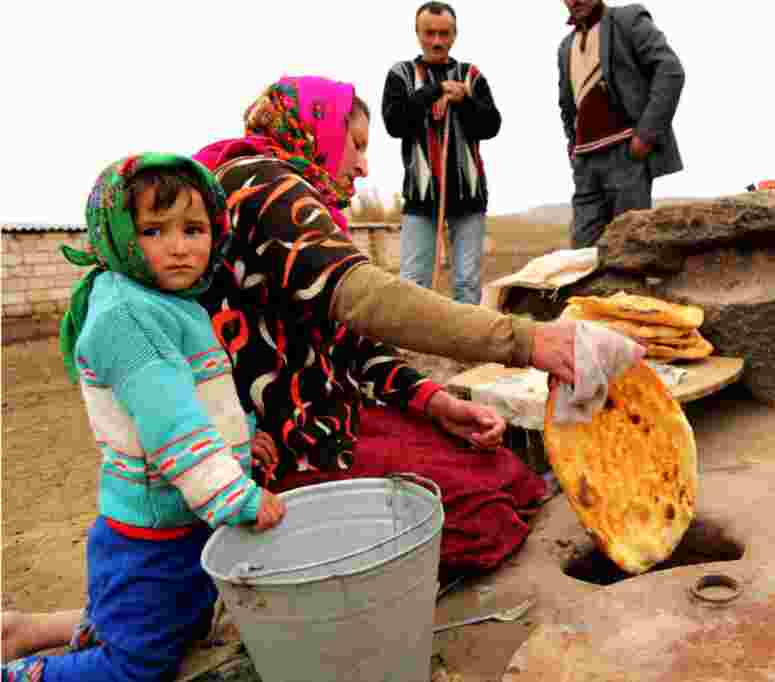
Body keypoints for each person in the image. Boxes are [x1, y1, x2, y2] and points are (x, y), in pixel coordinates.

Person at [192, 75, 583, 576]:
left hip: (330, 416)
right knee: (482, 522)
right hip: (286, 447)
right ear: (313, 129)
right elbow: (365, 299)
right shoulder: (257, 186)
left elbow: (351, 343)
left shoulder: (296, 195)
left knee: (507, 477)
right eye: (354, 145)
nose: (363, 165)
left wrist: (434, 403)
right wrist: (523, 340)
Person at [1, 154, 286, 681]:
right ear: (118, 236)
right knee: (134, 668)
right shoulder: (128, 317)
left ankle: (25, 633)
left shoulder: (169, 301)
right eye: (154, 230)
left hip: (183, 518)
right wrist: (237, 497)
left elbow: (205, 398)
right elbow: (171, 425)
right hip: (151, 537)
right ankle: (23, 674)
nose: (180, 246)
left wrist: (245, 438)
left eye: (194, 229)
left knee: (176, 625)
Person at [383, 1, 501, 305]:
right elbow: (395, 124)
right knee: (413, 280)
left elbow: (491, 126)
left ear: (454, 35)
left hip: (468, 192)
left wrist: (463, 100)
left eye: (444, 34)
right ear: (418, 34)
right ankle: (411, 346)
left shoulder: (471, 75)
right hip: (421, 195)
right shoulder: (401, 74)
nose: (437, 41)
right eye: (429, 33)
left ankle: (467, 347)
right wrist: (434, 91)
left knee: (467, 281)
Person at [558, 0, 685, 248]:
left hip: (626, 156)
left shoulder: (627, 19)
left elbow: (670, 71)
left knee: (630, 251)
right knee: (582, 257)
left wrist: (646, 135)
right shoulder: (565, 47)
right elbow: (566, 105)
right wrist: (573, 148)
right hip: (585, 166)